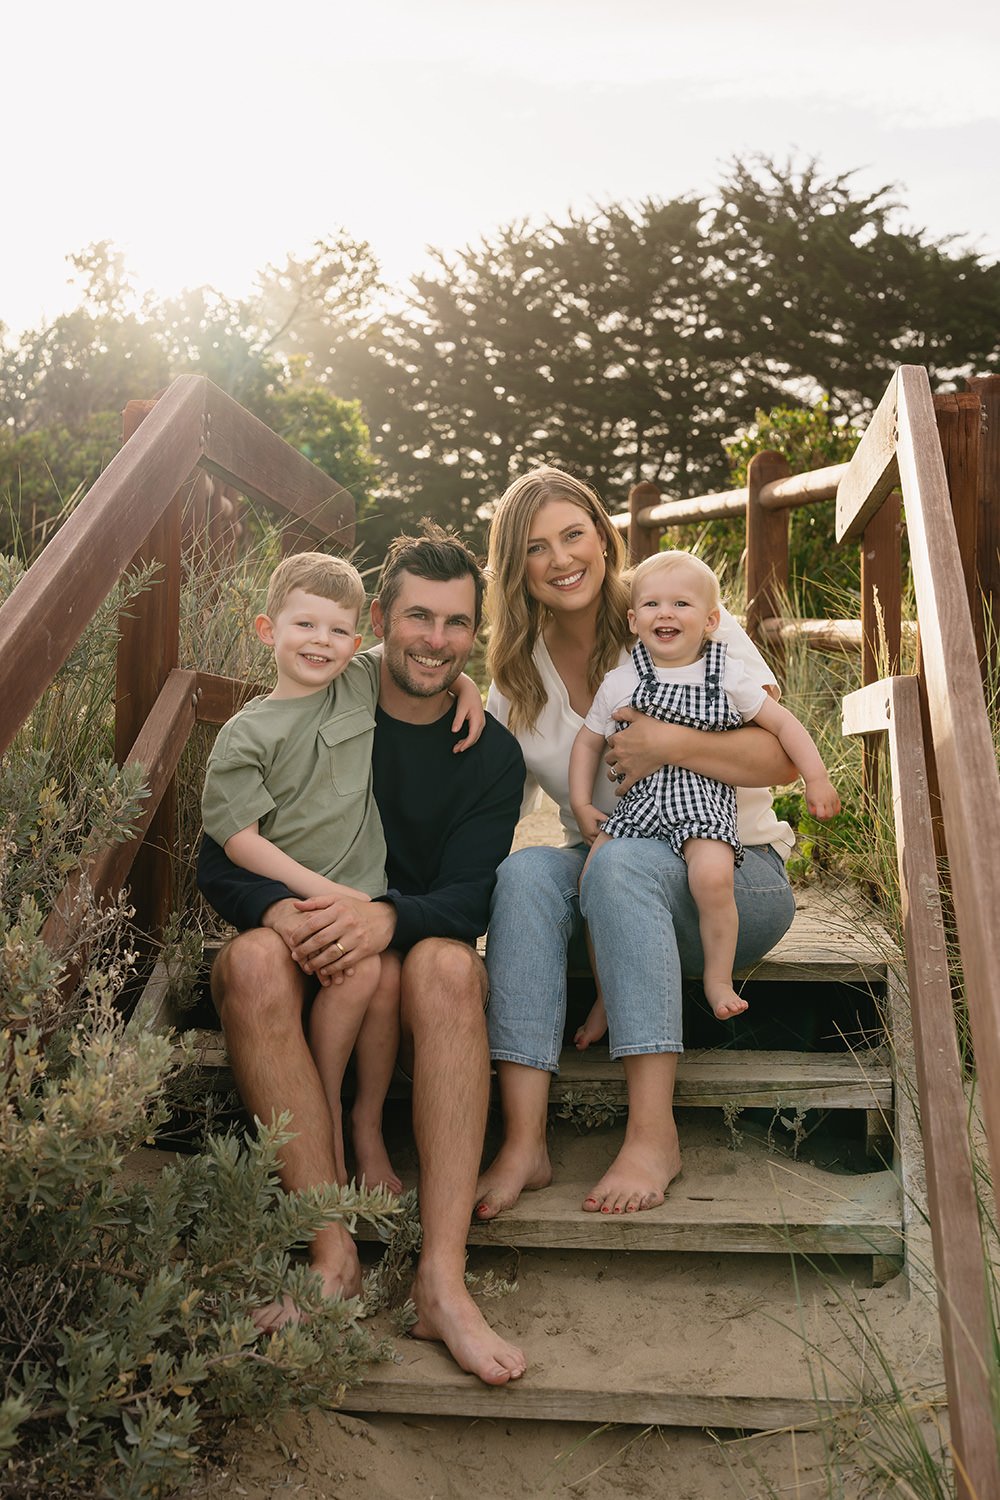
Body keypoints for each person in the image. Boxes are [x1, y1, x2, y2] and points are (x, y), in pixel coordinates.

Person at [197, 523, 528, 1386]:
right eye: (418, 618)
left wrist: (384, 920)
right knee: (246, 964)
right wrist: (293, 913)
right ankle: (330, 1250)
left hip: (408, 949)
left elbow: (472, 894)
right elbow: (218, 853)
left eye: (458, 625)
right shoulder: (327, 689)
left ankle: (441, 1283)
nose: (436, 641)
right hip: (306, 927)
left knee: (451, 964)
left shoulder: (489, 750)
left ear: (475, 634)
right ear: (379, 620)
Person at [475, 467, 799, 1222]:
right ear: (515, 569)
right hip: (607, 889)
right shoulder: (515, 677)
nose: (561, 559)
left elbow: (781, 757)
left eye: (573, 534)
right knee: (525, 874)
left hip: (735, 878)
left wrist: (670, 744)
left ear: (602, 531)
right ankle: (524, 1140)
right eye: (534, 548)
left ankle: (654, 1136)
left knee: (618, 861)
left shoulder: (676, 603)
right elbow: (488, 819)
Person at [201, 551, 485, 1196]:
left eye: (336, 632)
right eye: (303, 626)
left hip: (362, 906)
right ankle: (326, 1110)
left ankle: (362, 1123)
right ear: (267, 630)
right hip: (307, 901)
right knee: (361, 974)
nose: (320, 643)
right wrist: (324, 895)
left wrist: (464, 685)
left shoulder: (355, 680)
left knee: (381, 977)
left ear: (357, 641)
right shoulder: (245, 736)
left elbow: (425, 667)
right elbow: (236, 840)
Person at [569, 549, 840, 1029]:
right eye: (652, 605)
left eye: (682, 604)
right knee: (596, 880)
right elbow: (588, 741)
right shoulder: (621, 681)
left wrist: (816, 777)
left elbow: (782, 724)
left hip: (702, 802)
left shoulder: (725, 672)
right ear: (633, 620)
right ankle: (608, 994)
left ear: (711, 619)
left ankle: (718, 978)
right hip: (642, 803)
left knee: (712, 877)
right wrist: (580, 802)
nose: (666, 613)